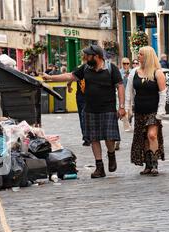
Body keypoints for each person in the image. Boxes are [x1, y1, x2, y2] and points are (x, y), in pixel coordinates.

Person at [43, 44, 125, 179]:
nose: (85, 58)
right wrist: (51, 78)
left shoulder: (111, 69)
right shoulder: (86, 68)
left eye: (88, 55)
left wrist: (121, 106)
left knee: (110, 137)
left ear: (97, 56)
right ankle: (99, 167)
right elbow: (70, 76)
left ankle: (111, 154)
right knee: (94, 138)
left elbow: (120, 86)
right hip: (90, 109)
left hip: (108, 109)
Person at [125, 46, 167, 176]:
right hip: (139, 110)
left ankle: (154, 164)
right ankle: (148, 165)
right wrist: (127, 108)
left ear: (148, 56)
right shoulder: (134, 72)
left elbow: (163, 93)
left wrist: (161, 110)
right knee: (143, 137)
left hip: (153, 110)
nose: (138, 56)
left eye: (141, 54)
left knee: (152, 135)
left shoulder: (157, 72)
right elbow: (129, 91)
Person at [67, 53, 90, 147]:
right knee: (85, 116)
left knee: (83, 117)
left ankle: (86, 137)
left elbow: (70, 79)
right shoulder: (88, 68)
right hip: (86, 96)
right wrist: (68, 86)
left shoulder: (79, 68)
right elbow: (71, 79)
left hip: (82, 96)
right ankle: (87, 137)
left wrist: (68, 86)